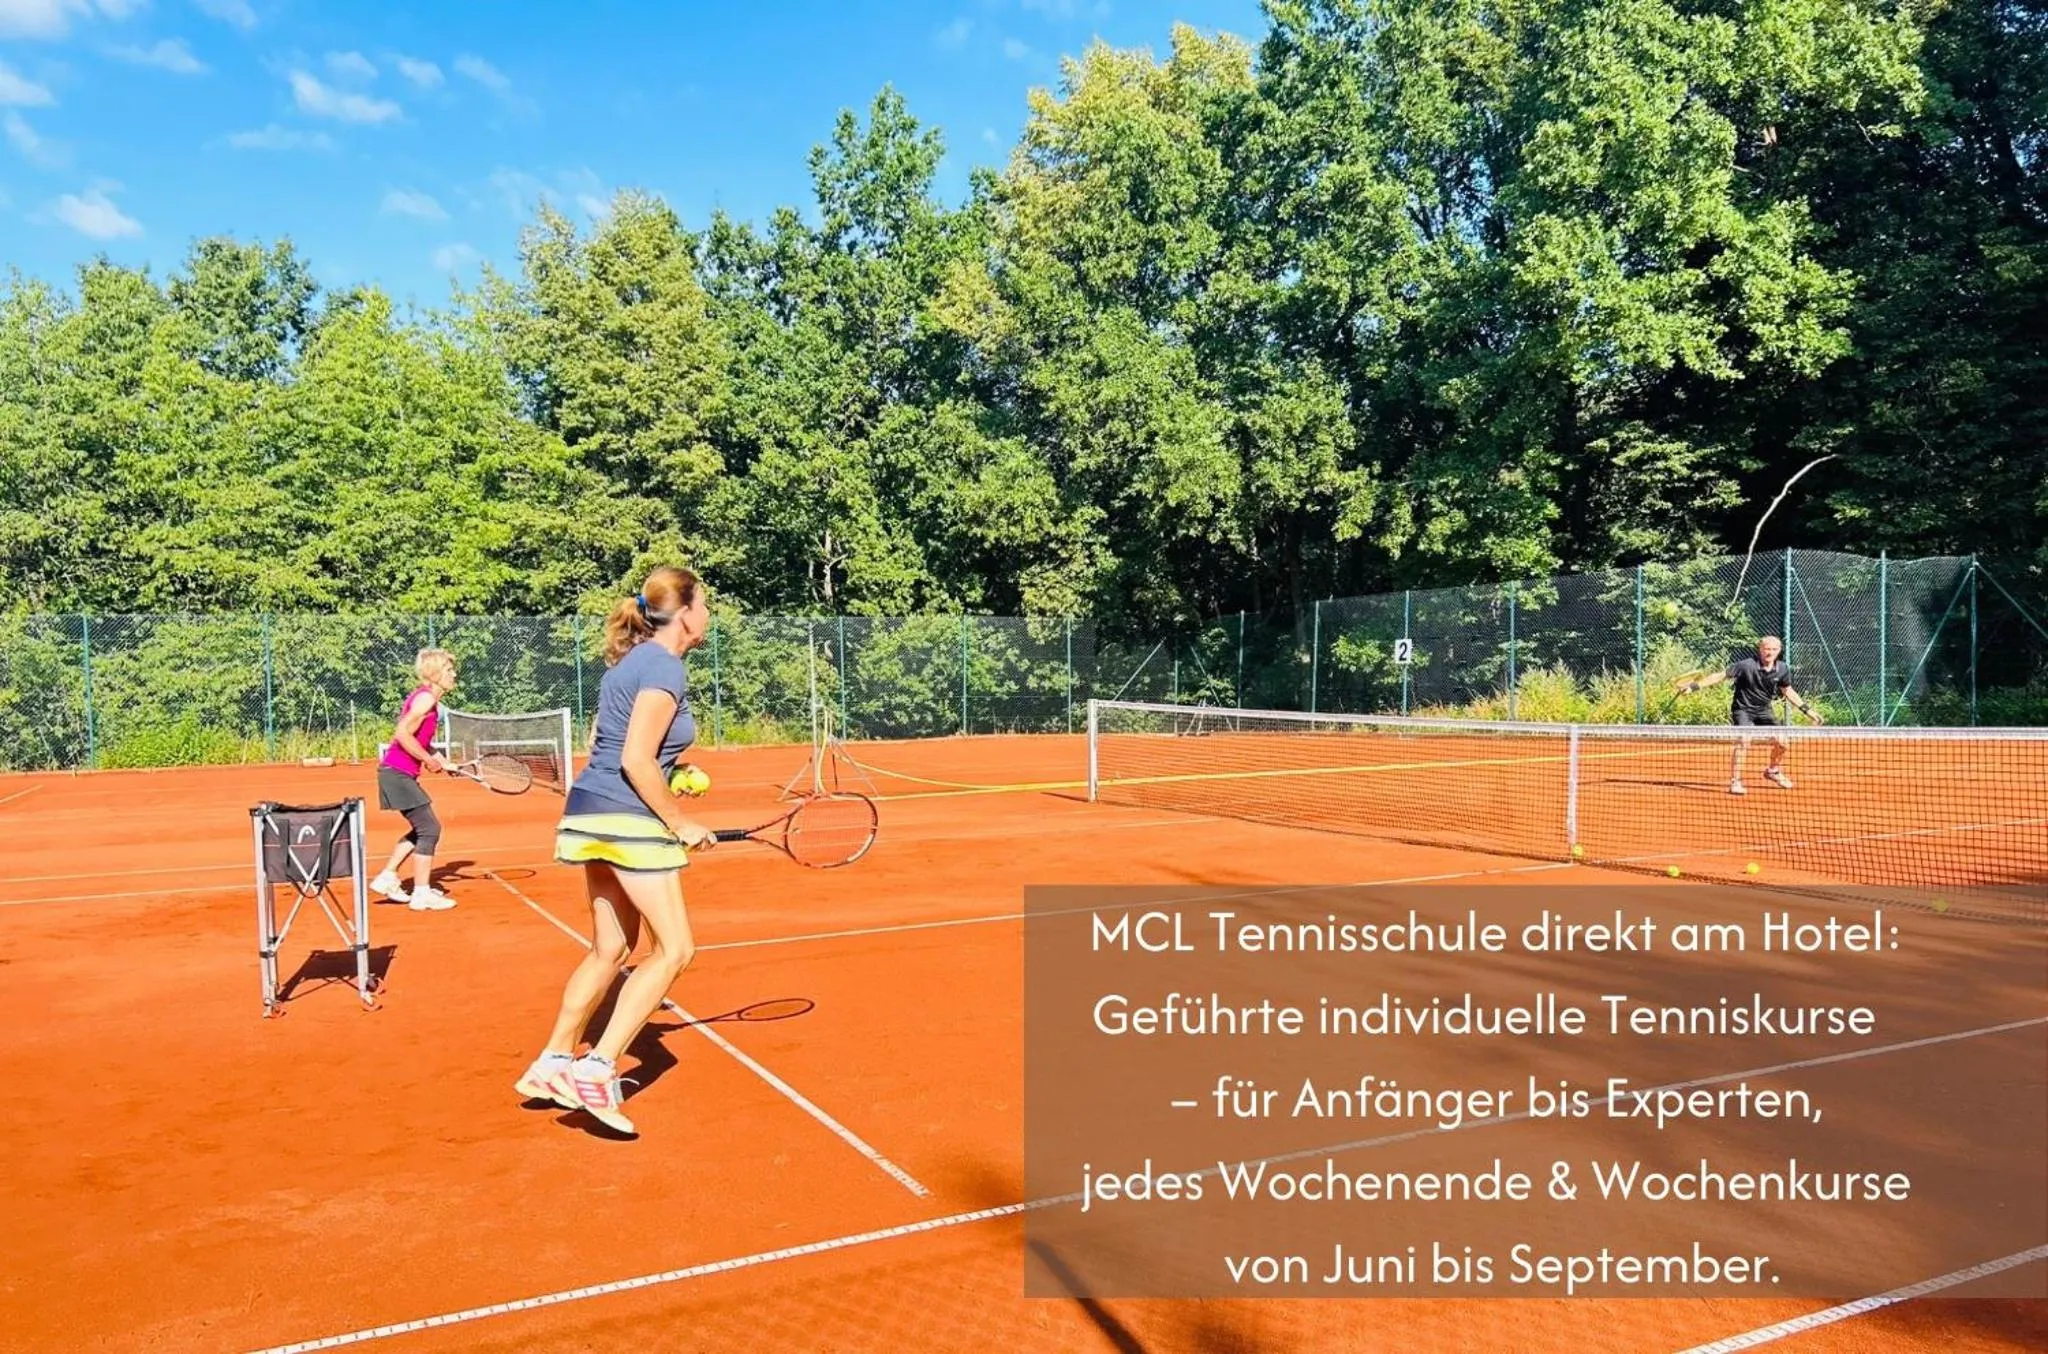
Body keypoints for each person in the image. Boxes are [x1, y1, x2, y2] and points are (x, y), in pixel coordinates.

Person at [517, 567, 717, 1135]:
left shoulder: (629, 664)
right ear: (684, 613)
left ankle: (553, 1060)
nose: (708, 615)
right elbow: (634, 759)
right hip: (627, 815)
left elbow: (615, 748)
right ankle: (597, 1068)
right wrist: (678, 822)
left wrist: (671, 778)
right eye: (704, 604)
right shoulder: (664, 666)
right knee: (675, 950)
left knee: (612, 948)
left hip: (590, 810)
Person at [370, 648, 459, 910]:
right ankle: (421, 894)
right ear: (436, 674)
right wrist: (429, 761)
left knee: (421, 828)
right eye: (449, 670)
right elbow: (402, 734)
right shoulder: (426, 701)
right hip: (396, 774)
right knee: (430, 829)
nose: (454, 675)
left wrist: (443, 761)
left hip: (398, 774)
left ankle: (388, 876)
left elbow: (423, 742)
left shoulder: (430, 702)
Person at [1680, 635, 1824, 794]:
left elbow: (1787, 691)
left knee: (1783, 742)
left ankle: (1773, 771)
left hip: (1764, 710)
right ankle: (1735, 781)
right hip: (1743, 709)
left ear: (1779, 651)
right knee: (1744, 740)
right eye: (1766, 649)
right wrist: (1693, 687)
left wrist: (1808, 711)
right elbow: (1720, 676)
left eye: (1774, 649)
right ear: (1760, 650)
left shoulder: (1782, 668)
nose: (1770, 652)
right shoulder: (1745, 666)